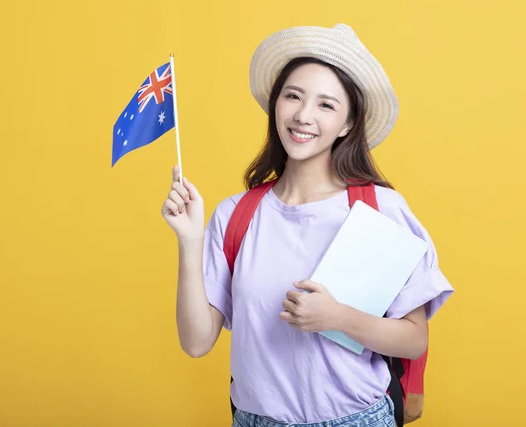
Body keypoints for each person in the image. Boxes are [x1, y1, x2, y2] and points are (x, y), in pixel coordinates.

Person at [161, 24, 454, 427]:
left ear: (349, 124)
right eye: (293, 96)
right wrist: (190, 240)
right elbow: (196, 343)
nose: (303, 115)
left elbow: (413, 338)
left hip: (357, 419)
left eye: (326, 105)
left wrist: (337, 317)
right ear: (275, 104)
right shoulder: (235, 215)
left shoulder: (378, 209)